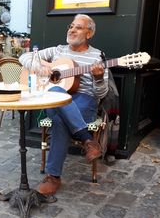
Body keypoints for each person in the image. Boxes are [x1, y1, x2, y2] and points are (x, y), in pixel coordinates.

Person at [19, 14, 109, 196]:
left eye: (78, 27)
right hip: (56, 97)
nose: (72, 29)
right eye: (71, 26)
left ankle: (53, 177)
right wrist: (38, 67)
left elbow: (101, 94)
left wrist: (99, 78)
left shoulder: (97, 56)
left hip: (84, 100)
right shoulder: (58, 50)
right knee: (57, 93)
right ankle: (88, 140)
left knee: (60, 120)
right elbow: (24, 57)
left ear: (89, 33)